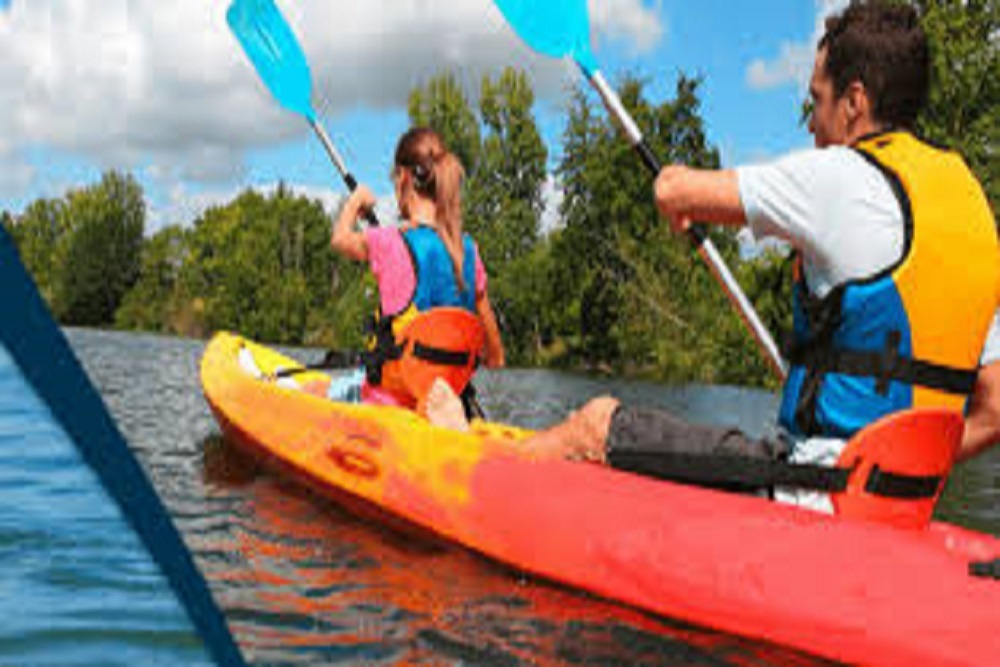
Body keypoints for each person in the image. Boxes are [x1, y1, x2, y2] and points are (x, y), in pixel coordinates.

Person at [427, 0, 1000, 516]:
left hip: (816, 491)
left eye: (817, 101)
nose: (810, 123)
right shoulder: (971, 212)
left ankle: (464, 474)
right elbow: (994, 410)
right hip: (906, 504)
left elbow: (674, 190)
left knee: (597, 421)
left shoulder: (842, 176)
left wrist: (677, 198)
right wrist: (895, 471)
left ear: (855, 103)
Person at [308, 127, 505, 413]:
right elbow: (496, 357)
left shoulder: (387, 241)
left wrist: (356, 201)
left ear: (403, 178)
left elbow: (340, 238)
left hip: (392, 402)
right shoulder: (469, 252)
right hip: (449, 402)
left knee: (311, 389)